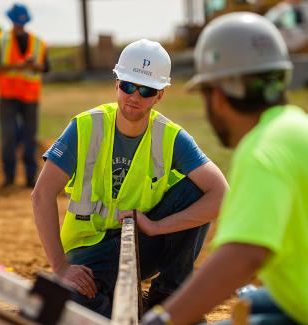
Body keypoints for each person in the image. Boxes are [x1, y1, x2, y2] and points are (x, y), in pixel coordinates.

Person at [32, 39, 228, 318]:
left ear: (160, 95)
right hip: (88, 249)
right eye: (127, 85)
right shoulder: (86, 126)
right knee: (65, 303)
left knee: (197, 189)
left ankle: (167, 299)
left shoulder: (170, 136)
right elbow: (41, 194)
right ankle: (128, 312)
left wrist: (157, 227)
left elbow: (221, 194)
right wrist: (61, 268)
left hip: (141, 243)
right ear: (116, 83)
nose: (134, 96)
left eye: (146, 90)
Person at [141, 12, 308, 325]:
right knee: (252, 302)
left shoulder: (262, 150)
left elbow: (244, 254)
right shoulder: (296, 127)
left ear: (217, 95)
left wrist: (163, 320)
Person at [0, 3, 49, 188]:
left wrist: (33, 66)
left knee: (29, 137)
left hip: (30, 96)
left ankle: (30, 178)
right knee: (9, 136)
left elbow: (45, 67)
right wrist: (17, 67)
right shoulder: (1, 40)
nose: (19, 25)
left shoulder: (38, 42)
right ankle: (9, 177)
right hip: (7, 95)